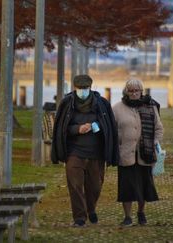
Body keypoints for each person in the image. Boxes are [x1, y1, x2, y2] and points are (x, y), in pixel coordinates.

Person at [51, 74, 119, 227]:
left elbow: (109, 125)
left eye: (85, 88)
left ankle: (91, 209)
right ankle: (80, 218)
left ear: (90, 87)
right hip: (75, 153)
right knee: (75, 186)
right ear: (75, 88)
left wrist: (97, 126)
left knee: (95, 186)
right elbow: (61, 128)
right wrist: (77, 129)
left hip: (96, 153)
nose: (83, 91)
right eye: (80, 88)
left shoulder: (101, 103)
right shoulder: (67, 103)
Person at [112, 79, 163, 226]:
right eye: (131, 90)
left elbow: (159, 129)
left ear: (141, 91)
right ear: (126, 92)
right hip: (126, 154)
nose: (134, 93)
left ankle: (141, 212)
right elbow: (112, 131)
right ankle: (127, 216)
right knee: (126, 187)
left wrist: (153, 143)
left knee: (144, 186)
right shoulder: (117, 108)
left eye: (137, 90)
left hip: (145, 154)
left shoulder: (150, 107)